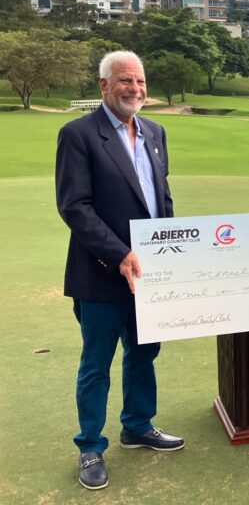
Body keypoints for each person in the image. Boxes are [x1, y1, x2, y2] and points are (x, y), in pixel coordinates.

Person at [55, 51, 184, 490]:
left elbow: (161, 199)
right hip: (100, 272)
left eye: (140, 81)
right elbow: (75, 205)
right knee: (96, 363)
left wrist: (176, 251)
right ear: (104, 86)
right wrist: (120, 253)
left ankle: (137, 425)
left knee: (144, 352)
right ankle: (90, 444)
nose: (135, 88)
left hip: (150, 273)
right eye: (125, 80)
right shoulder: (78, 134)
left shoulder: (155, 132)